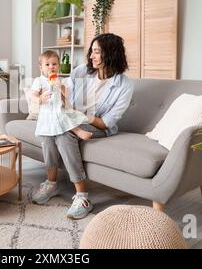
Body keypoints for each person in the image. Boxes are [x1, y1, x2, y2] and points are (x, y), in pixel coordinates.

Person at [31, 33, 134, 220]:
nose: (91, 56)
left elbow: (106, 122)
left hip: (97, 124)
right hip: (70, 116)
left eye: (96, 52)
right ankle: (51, 184)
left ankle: (82, 197)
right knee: (48, 133)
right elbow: (64, 95)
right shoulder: (81, 71)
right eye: (91, 52)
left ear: (110, 54)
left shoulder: (124, 85)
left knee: (63, 134)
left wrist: (78, 116)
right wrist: (53, 92)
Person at [30, 50, 93, 140]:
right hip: (47, 110)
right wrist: (39, 99)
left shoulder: (61, 80)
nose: (51, 67)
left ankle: (77, 130)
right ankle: (78, 131)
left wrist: (61, 87)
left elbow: (68, 95)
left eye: (54, 64)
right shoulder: (39, 80)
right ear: (41, 68)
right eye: (47, 65)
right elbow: (32, 94)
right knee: (60, 116)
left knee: (65, 115)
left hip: (59, 107)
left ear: (58, 66)